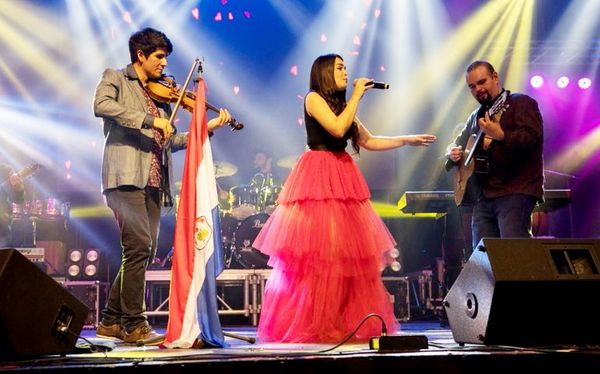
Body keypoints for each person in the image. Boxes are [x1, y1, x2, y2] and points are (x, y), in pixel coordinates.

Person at [253, 53, 437, 343]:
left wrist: (407, 139)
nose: (345, 72)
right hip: (318, 175)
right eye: (339, 68)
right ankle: (315, 323)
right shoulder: (314, 99)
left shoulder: (343, 106)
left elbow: (368, 140)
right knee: (320, 256)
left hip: (342, 174)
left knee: (345, 257)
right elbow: (337, 129)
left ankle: (342, 321)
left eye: (345, 67)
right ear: (325, 72)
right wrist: (357, 96)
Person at [93, 27, 231, 344]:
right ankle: (134, 324)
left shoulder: (162, 97)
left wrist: (205, 128)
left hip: (154, 183)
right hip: (124, 178)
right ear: (140, 55)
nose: (164, 64)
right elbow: (102, 106)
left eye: (166, 57)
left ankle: (111, 321)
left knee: (142, 251)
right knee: (138, 246)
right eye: (159, 57)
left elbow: (168, 143)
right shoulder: (115, 78)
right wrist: (149, 120)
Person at [445, 60, 544, 250]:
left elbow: (530, 137)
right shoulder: (475, 116)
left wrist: (501, 134)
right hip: (484, 197)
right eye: (472, 86)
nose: (478, 89)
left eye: (482, 82)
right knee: (483, 263)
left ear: (495, 77)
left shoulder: (520, 102)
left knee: (514, 256)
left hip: (516, 190)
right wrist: (453, 153)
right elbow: (456, 144)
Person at [0, 164, 24, 247]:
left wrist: (18, 187)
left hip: (1, 229)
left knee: (4, 257)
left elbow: (18, 200)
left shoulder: (6, 171)